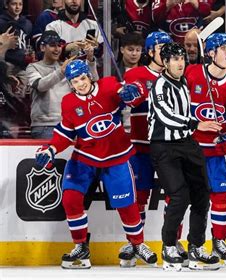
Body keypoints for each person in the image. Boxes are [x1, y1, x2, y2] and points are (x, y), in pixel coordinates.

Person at [34, 59, 157, 269]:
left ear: (89, 76)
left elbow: (136, 94)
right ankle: (81, 246)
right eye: (74, 81)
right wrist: (51, 149)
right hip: (85, 157)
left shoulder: (109, 85)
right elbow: (65, 133)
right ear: (70, 84)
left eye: (82, 78)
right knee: (71, 198)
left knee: (127, 204)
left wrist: (132, 92)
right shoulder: (69, 102)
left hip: (116, 156)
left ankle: (137, 244)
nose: (79, 84)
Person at [148, 42, 221, 271]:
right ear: (166, 62)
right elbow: (166, 116)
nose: (180, 63)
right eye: (174, 59)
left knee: (202, 195)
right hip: (164, 147)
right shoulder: (159, 85)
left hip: (188, 143)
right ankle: (169, 245)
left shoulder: (184, 83)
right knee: (179, 196)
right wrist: (197, 123)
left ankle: (196, 246)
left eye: (182, 58)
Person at [184, 33, 226, 266]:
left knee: (221, 197)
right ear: (210, 53)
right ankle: (178, 243)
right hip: (190, 151)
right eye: (223, 47)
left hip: (216, 154)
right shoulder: (192, 74)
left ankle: (219, 240)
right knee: (180, 197)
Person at [119, 31, 173, 267]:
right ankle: (134, 243)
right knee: (139, 196)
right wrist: (129, 95)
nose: (166, 52)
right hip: (141, 147)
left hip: (169, 147)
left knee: (175, 196)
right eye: (161, 48)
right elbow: (129, 98)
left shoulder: (177, 75)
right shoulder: (136, 73)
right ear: (150, 51)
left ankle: (172, 244)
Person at [26, 30, 98, 139]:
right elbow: (40, 86)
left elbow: (93, 81)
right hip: (45, 125)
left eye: (59, 45)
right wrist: (61, 71)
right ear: (42, 48)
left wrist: (90, 58)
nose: (57, 49)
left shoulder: (66, 66)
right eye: (52, 45)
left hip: (71, 123)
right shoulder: (33, 67)